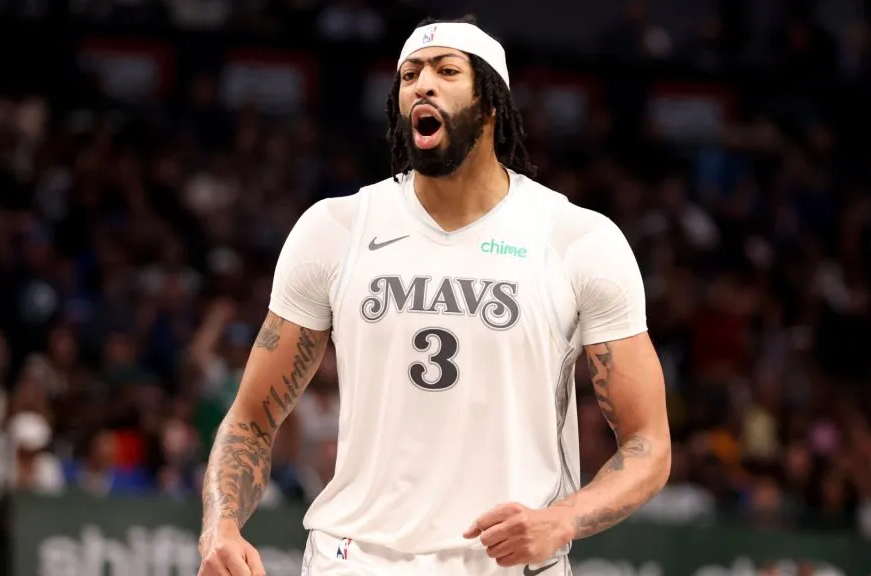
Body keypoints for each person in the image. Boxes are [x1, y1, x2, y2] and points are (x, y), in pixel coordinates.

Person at [199, 15, 671, 576]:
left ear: (491, 101)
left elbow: (649, 444)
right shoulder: (336, 229)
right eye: (409, 74)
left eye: (447, 71)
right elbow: (251, 418)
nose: (423, 83)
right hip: (353, 559)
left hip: (507, 565)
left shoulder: (576, 239)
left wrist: (563, 519)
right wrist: (220, 526)